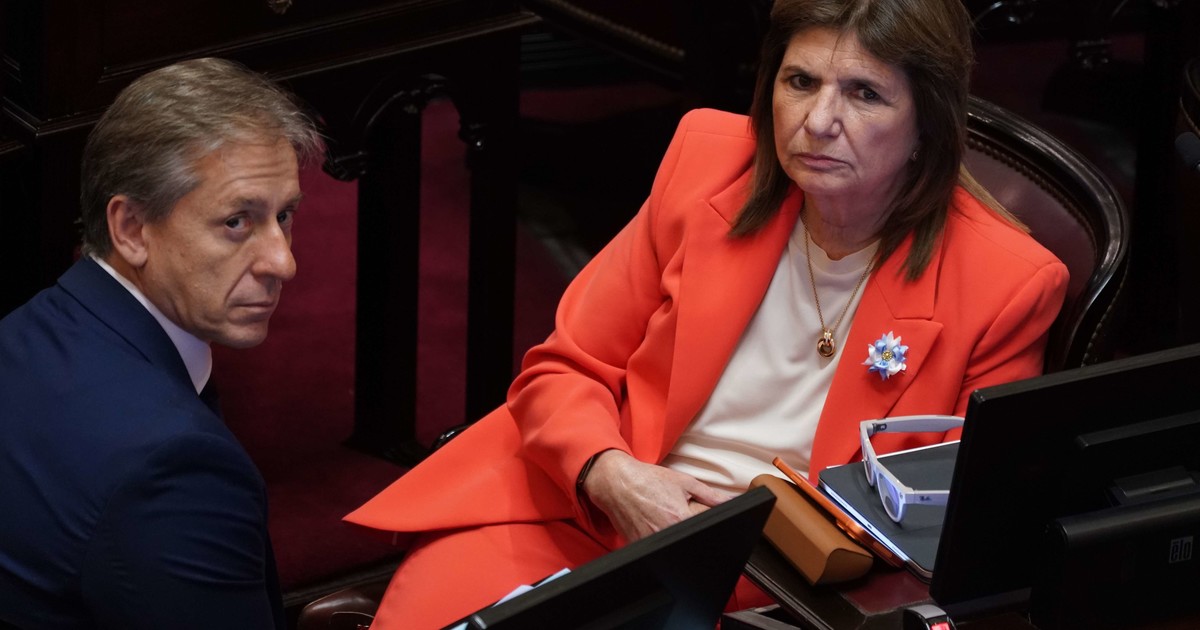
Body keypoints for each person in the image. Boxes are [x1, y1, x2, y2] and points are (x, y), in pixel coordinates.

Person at [347, 0, 1069, 626]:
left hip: (779, 589)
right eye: (800, 82)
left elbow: (956, 528)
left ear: (928, 125)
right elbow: (565, 369)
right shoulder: (707, 163)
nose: (818, 121)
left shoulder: (1006, 284)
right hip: (588, 508)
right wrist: (610, 473)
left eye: (865, 94)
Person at [0, 58, 322, 629]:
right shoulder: (176, 470)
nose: (283, 262)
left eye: (285, 215)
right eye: (237, 222)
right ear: (131, 229)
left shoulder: (20, 333)